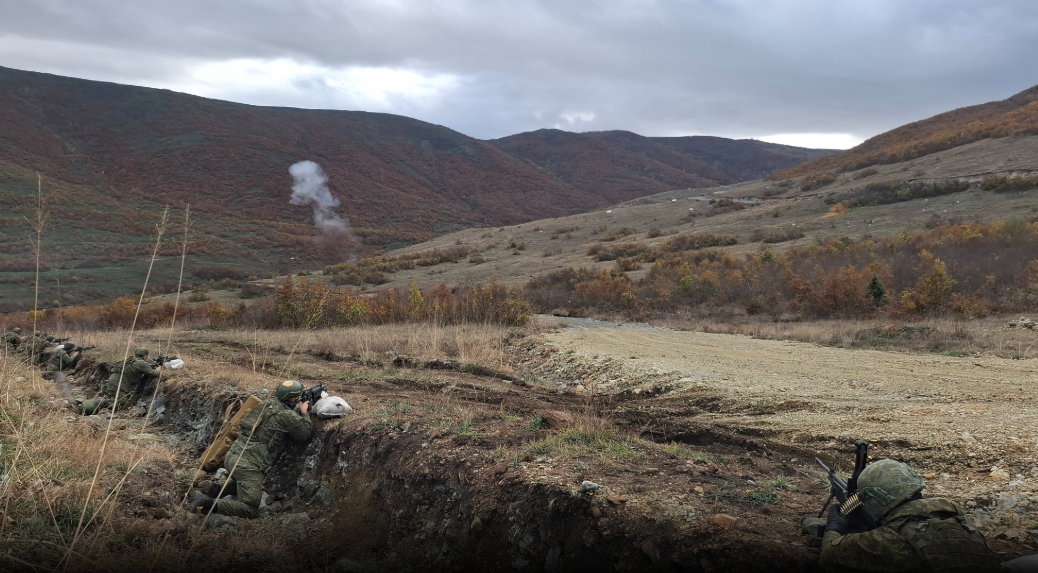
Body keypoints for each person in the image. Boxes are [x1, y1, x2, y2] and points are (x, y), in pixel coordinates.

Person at [818, 458, 1002, 573]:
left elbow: (829, 557)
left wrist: (835, 527)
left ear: (878, 498)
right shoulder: (959, 523)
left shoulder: (890, 540)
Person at [193, 380, 314, 518]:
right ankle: (206, 504)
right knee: (250, 508)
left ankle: (215, 489)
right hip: (248, 465)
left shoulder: (266, 404)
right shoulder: (286, 416)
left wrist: (297, 408)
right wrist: (304, 412)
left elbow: (281, 416)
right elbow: (304, 433)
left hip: (233, 456)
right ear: (292, 398)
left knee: (242, 483)